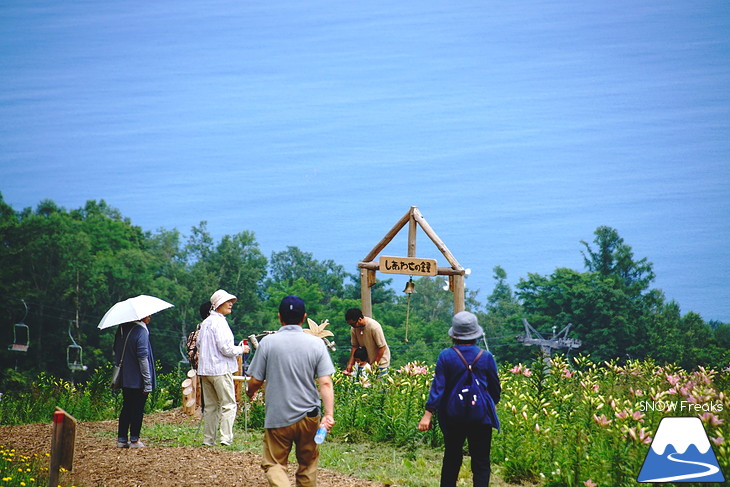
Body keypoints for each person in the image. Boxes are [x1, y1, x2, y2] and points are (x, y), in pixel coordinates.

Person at [246, 295, 336, 487]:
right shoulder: (316, 344)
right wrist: (328, 415)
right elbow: (326, 382)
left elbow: (255, 380)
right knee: (308, 465)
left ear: (280, 317)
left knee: (274, 464)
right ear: (303, 318)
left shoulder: (268, 343)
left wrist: (249, 392)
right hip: (309, 416)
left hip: (278, 416)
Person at [418, 311, 501, 487]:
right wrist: (486, 405)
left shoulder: (446, 356)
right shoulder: (486, 357)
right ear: (476, 334)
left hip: (452, 416)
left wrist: (428, 414)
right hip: (481, 417)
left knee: (452, 457)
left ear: (454, 335)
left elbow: (438, 388)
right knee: (481, 461)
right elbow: (495, 389)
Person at [196, 289, 247, 446]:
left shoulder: (205, 323)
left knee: (210, 407)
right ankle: (225, 438)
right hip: (220, 369)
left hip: (205, 370)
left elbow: (199, 344)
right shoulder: (220, 322)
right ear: (218, 304)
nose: (231, 304)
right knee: (229, 404)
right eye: (227, 301)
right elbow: (226, 348)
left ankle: (208, 439)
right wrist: (241, 350)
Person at [114, 315, 155, 448]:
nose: (150, 317)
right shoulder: (141, 331)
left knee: (126, 407)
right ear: (141, 316)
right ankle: (134, 439)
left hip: (126, 376)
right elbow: (143, 357)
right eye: (148, 315)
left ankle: (122, 439)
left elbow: (116, 349)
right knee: (137, 409)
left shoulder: (123, 328)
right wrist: (147, 381)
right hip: (138, 378)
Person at [344, 308, 391, 376]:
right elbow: (355, 346)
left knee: (379, 385)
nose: (352, 326)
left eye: (353, 324)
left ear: (360, 319)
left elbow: (382, 347)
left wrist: (375, 365)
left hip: (380, 363)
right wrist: (351, 364)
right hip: (366, 363)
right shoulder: (354, 329)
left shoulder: (374, 327)